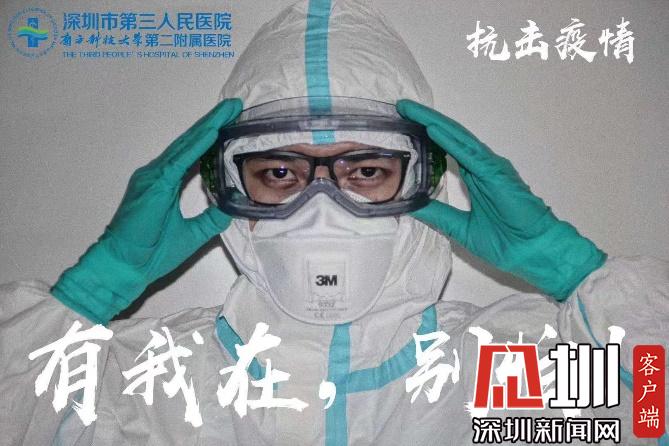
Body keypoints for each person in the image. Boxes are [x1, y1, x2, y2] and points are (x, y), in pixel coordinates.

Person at [1, 1, 667, 445]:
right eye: (280, 172)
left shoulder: (505, 373)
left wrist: (572, 269)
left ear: (425, 180)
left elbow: (651, 415)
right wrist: (90, 292)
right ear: (227, 187)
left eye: (366, 170)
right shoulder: (143, 382)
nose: (323, 207)